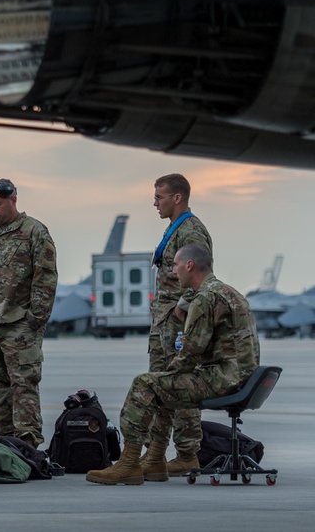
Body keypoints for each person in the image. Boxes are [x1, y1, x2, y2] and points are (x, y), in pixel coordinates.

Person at [87, 243, 259, 485]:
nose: (174, 271)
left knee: (145, 384)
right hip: (239, 378)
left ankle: (128, 463)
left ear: (190, 265)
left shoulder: (205, 299)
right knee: (163, 385)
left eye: (176, 265)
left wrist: (162, 376)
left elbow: (189, 354)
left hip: (222, 380)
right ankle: (155, 460)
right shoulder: (230, 292)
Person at [0, 178, 57, 448]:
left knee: (23, 384)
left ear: (13, 200)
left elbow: (46, 279)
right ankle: (7, 440)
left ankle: (28, 443)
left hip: (19, 324)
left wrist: (35, 320)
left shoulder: (34, 232)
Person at [146, 173, 212, 478]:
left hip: (176, 324)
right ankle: (156, 453)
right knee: (161, 387)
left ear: (177, 198)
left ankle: (187, 454)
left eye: (159, 197)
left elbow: (200, 276)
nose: (155, 203)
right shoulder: (175, 230)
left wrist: (179, 310)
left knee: (180, 386)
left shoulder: (191, 230)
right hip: (164, 322)